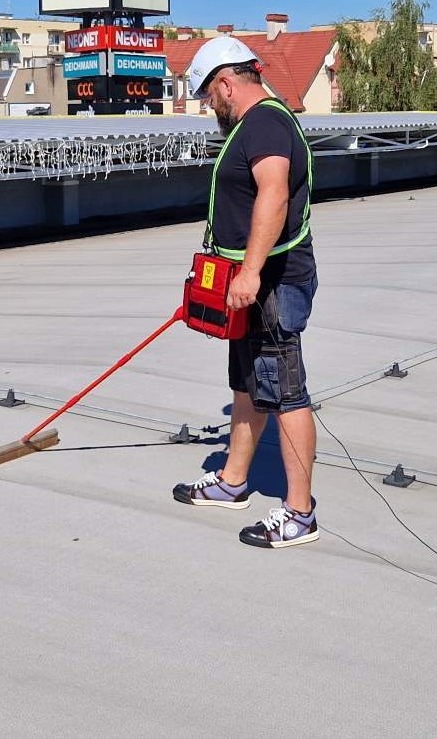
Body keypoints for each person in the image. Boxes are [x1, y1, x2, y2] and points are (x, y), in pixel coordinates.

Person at [172, 37, 320, 549]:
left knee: (286, 393)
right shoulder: (256, 125)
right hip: (246, 282)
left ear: (227, 84)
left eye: (209, 96)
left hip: (273, 283)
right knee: (246, 383)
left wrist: (252, 271)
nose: (209, 106)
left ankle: (299, 513)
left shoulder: (265, 124)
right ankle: (233, 482)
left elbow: (274, 194)